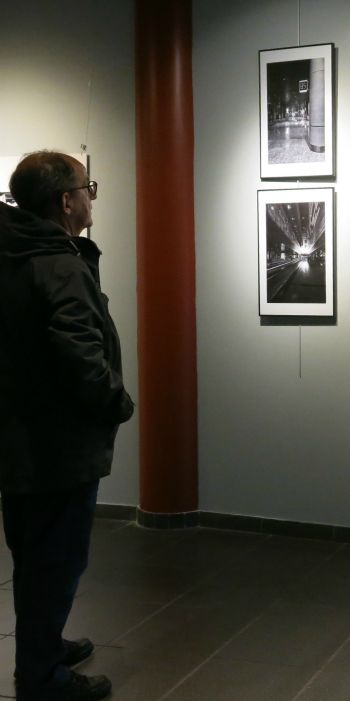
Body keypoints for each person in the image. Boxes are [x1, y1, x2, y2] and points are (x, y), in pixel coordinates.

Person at [0, 151, 134, 701]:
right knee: (55, 562)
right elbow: (80, 355)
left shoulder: (14, 255)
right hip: (59, 446)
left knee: (31, 557)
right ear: (65, 201)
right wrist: (115, 402)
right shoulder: (60, 264)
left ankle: (43, 647)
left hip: (17, 441)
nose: (91, 197)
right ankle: (42, 678)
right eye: (88, 187)